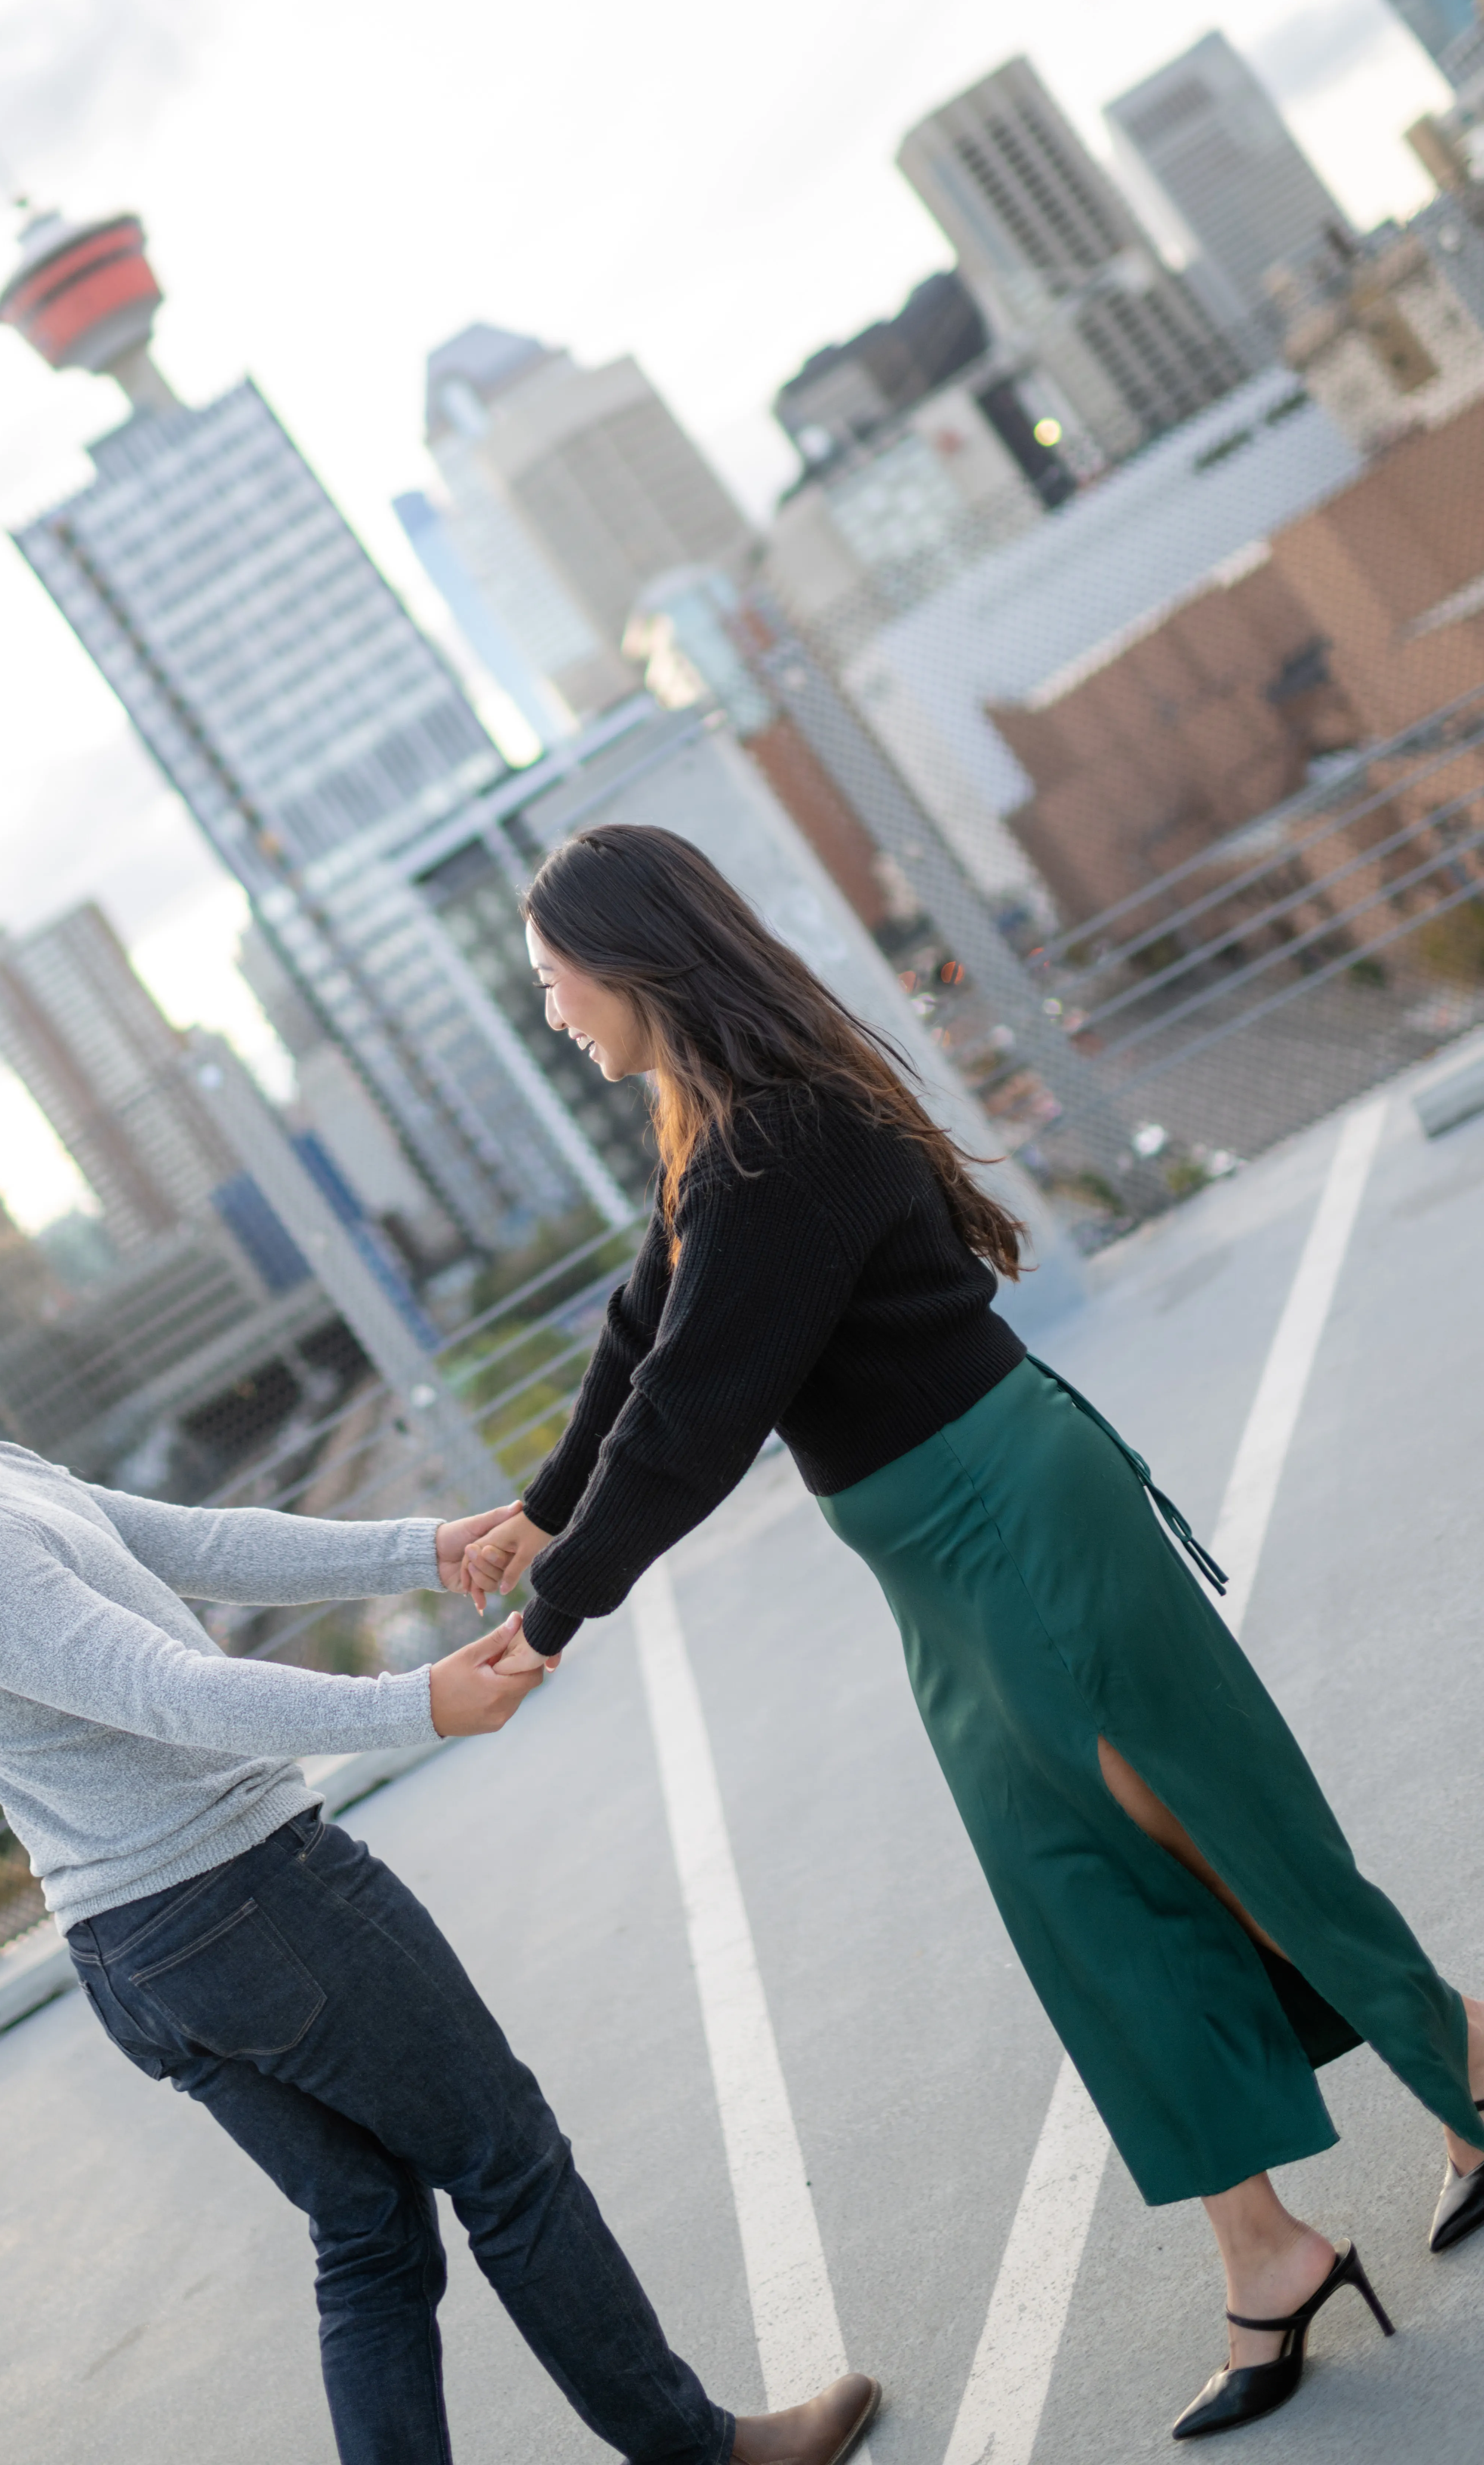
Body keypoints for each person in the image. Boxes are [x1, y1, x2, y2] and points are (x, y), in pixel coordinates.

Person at [460, 822, 1484, 2445]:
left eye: (550, 984)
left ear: (628, 959)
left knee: (1213, 1841)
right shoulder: (713, 1133)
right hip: (936, 1565)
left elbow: (700, 1415)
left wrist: (555, 1609)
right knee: (1080, 1908)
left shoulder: (777, 1138)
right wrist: (541, 1505)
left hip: (1015, 1520)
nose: (551, 1015)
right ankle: (1266, 2250)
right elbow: (643, 1337)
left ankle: (1470, 2081)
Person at [0, 1192, 881, 2465]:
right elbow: (177, 1694)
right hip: (235, 1901)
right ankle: (701, 2454)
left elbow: (199, 1543)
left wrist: (429, 1548)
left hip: (150, 1946)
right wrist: (419, 1704)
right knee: (506, 2156)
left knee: (372, 2236)